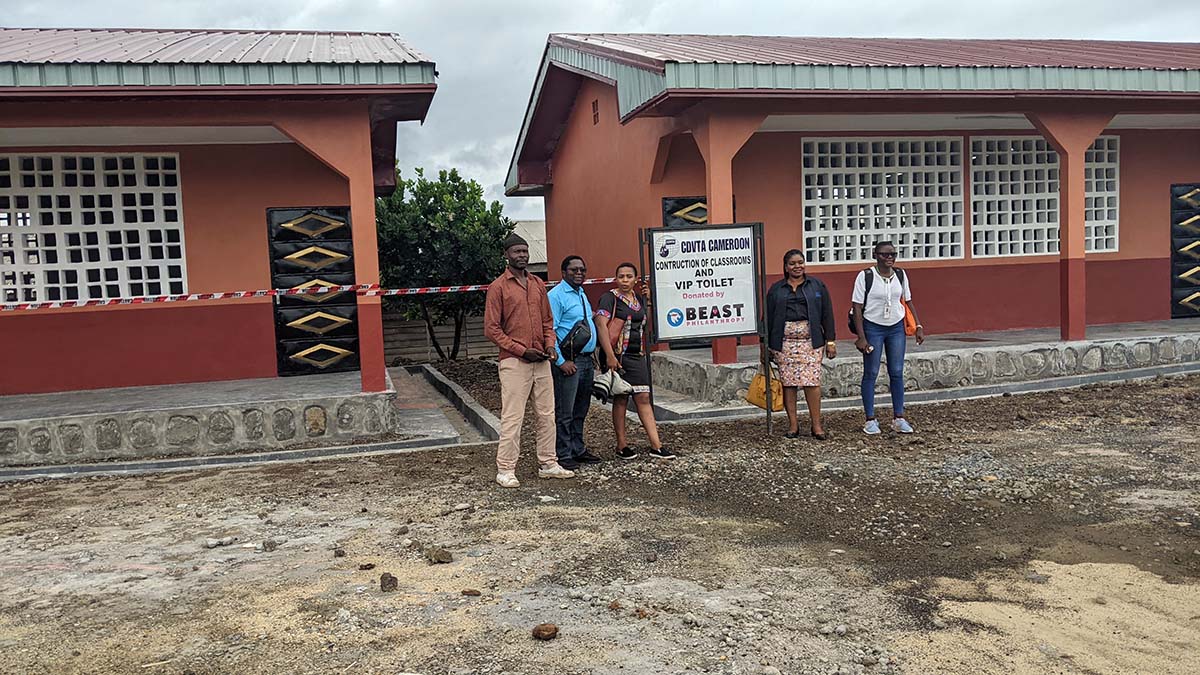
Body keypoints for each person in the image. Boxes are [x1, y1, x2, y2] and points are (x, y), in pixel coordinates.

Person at [483, 233, 576, 488]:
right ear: (506, 255)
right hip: (514, 362)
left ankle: (548, 463)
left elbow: (548, 321)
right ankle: (505, 469)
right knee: (513, 417)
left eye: (524, 251)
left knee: (547, 414)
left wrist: (549, 346)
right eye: (516, 252)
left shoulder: (537, 284)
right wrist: (522, 351)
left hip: (542, 360)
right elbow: (492, 329)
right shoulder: (498, 287)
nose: (522, 255)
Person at [593, 263, 676, 460]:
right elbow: (601, 325)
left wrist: (648, 300)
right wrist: (610, 356)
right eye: (621, 276)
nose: (624, 280)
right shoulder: (609, 298)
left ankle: (656, 445)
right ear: (616, 278)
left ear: (635, 279)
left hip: (636, 355)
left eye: (629, 276)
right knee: (621, 397)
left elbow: (646, 323)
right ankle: (622, 445)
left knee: (643, 397)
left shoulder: (638, 299)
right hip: (618, 355)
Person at [850, 241, 926, 435]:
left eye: (893, 254)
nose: (889, 257)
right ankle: (870, 419)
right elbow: (857, 307)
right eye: (885, 254)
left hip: (896, 328)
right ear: (876, 255)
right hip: (872, 327)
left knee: (897, 371)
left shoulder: (900, 275)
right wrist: (861, 337)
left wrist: (917, 325)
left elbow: (907, 301)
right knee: (871, 372)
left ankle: (899, 417)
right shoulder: (866, 276)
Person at [765, 249, 837, 439]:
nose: (797, 266)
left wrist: (830, 341)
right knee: (789, 384)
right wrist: (765, 346)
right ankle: (793, 426)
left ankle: (816, 426)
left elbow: (827, 314)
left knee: (812, 382)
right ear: (786, 267)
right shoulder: (776, 289)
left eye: (800, 262)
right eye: (792, 263)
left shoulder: (817, 286)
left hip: (811, 342)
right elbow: (768, 318)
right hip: (784, 343)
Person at [548, 255, 602, 469]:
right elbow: (550, 332)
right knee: (565, 411)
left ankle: (578, 448)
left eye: (582, 270)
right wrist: (561, 362)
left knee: (581, 408)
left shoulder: (581, 293)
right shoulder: (556, 296)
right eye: (574, 270)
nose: (579, 273)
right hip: (568, 362)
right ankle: (563, 453)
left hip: (586, 361)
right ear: (563, 273)